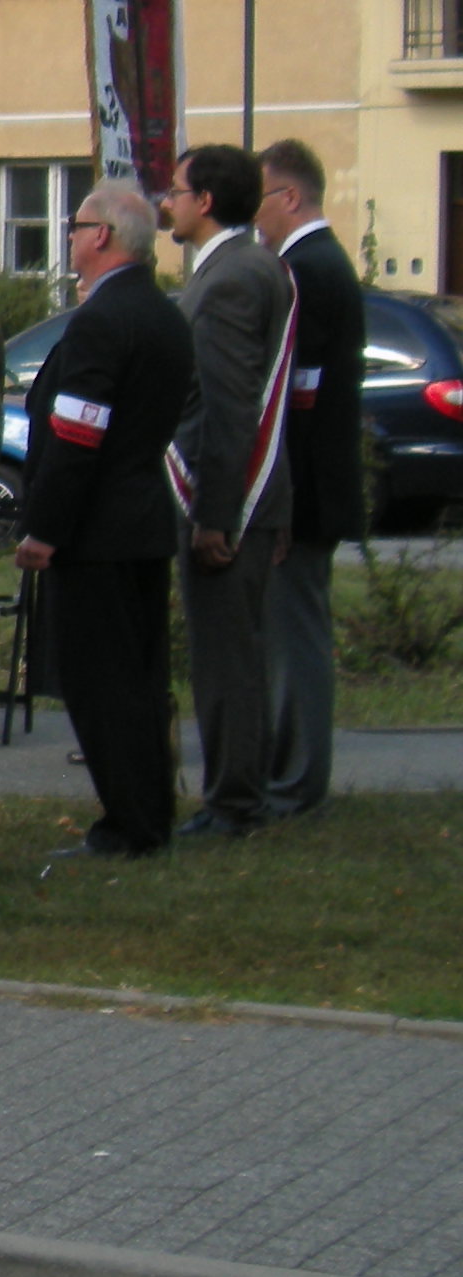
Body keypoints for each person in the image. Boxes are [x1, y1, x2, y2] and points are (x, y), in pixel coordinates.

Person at [16, 185, 195, 861]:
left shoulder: (101, 320)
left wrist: (45, 528)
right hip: (142, 518)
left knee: (101, 682)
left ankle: (128, 821)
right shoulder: (163, 313)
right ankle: (150, 809)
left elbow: (77, 434)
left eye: (76, 224)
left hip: (95, 528)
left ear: (102, 236)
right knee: (140, 678)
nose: (68, 235)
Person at [165, 141, 295, 841]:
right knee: (237, 651)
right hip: (254, 494)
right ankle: (239, 791)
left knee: (226, 658)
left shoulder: (229, 280)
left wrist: (216, 515)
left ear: (206, 201)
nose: (168, 203)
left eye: (177, 191)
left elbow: (229, 405)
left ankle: (233, 801)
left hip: (228, 501)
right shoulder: (255, 265)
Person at [258, 138, 366, 824]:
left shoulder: (306, 271)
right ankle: (291, 773)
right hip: (317, 482)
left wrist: (280, 497)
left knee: (295, 635)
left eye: (260, 199)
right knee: (294, 629)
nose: (253, 216)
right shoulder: (323, 264)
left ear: (290, 197)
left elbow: (295, 396)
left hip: (305, 488)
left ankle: (296, 782)